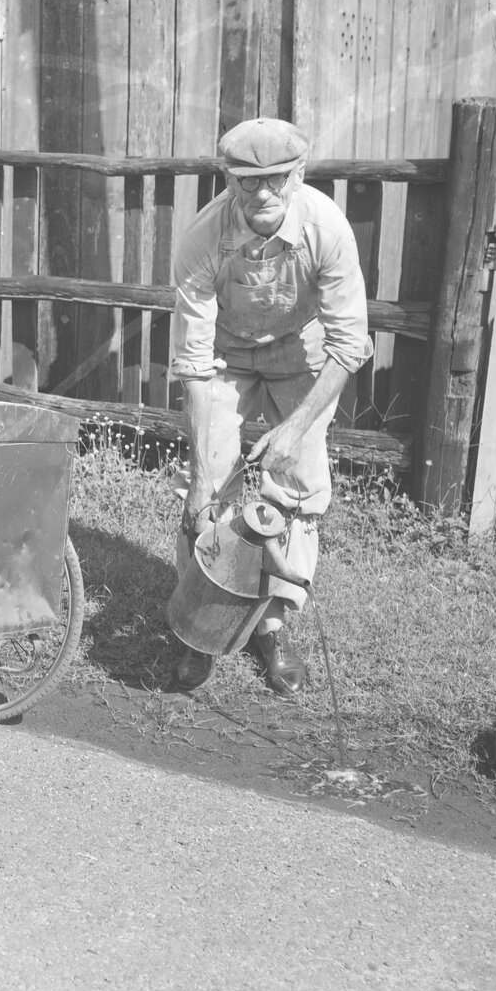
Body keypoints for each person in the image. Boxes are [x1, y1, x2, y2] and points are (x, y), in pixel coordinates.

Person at [166, 118, 373, 695]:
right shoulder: (203, 238)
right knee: (205, 484)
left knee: (298, 483)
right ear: (227, 180)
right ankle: (199, 627)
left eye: (277, 180)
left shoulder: (327, 230)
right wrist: (207, 475)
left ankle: (272, 628)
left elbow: (349, 345)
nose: (262, 194)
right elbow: (194, 360)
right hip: (226, 354)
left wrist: (293, 430)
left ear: (298, 175)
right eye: (246, 182)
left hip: (301, 351)